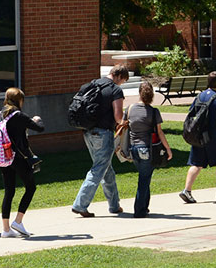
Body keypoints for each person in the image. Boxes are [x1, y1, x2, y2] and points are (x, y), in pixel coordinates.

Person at [72, 65, 129, 218]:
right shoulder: (115, 90)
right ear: (119, 76)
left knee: (106, 169)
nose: (121, 84)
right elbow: (118, 117)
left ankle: (114, 205)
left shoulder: (94, 84)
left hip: (87, 131)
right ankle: (80, 204)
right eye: (123, 81)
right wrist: (126, 120)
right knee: (99, 168)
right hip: (103, 133)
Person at [180, 72, 216, 204]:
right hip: (214, 136)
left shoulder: (200, 96)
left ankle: (187, 190)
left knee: (196, 164)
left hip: (199, 135)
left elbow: (192, 112)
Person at [0, 88, 44, 237]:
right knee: (30, 187)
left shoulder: (0, 115)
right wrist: (37, 119)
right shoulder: (19, 116)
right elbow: (40, 128)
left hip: (5, 156)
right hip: (19, 157)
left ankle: (5, 229)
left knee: (9, 191)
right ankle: (18, 221)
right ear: (20, 100)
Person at [124, 82, 172, 217]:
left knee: (145, 177)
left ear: (139, 93)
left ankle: (145, 207)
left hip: (133, 148)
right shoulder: (153, 112)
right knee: (144, 179)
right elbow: (160, 133)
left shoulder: (129, 109)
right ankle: (139, 210)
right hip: (147, 149)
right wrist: (168, 149)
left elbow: (123, 126)